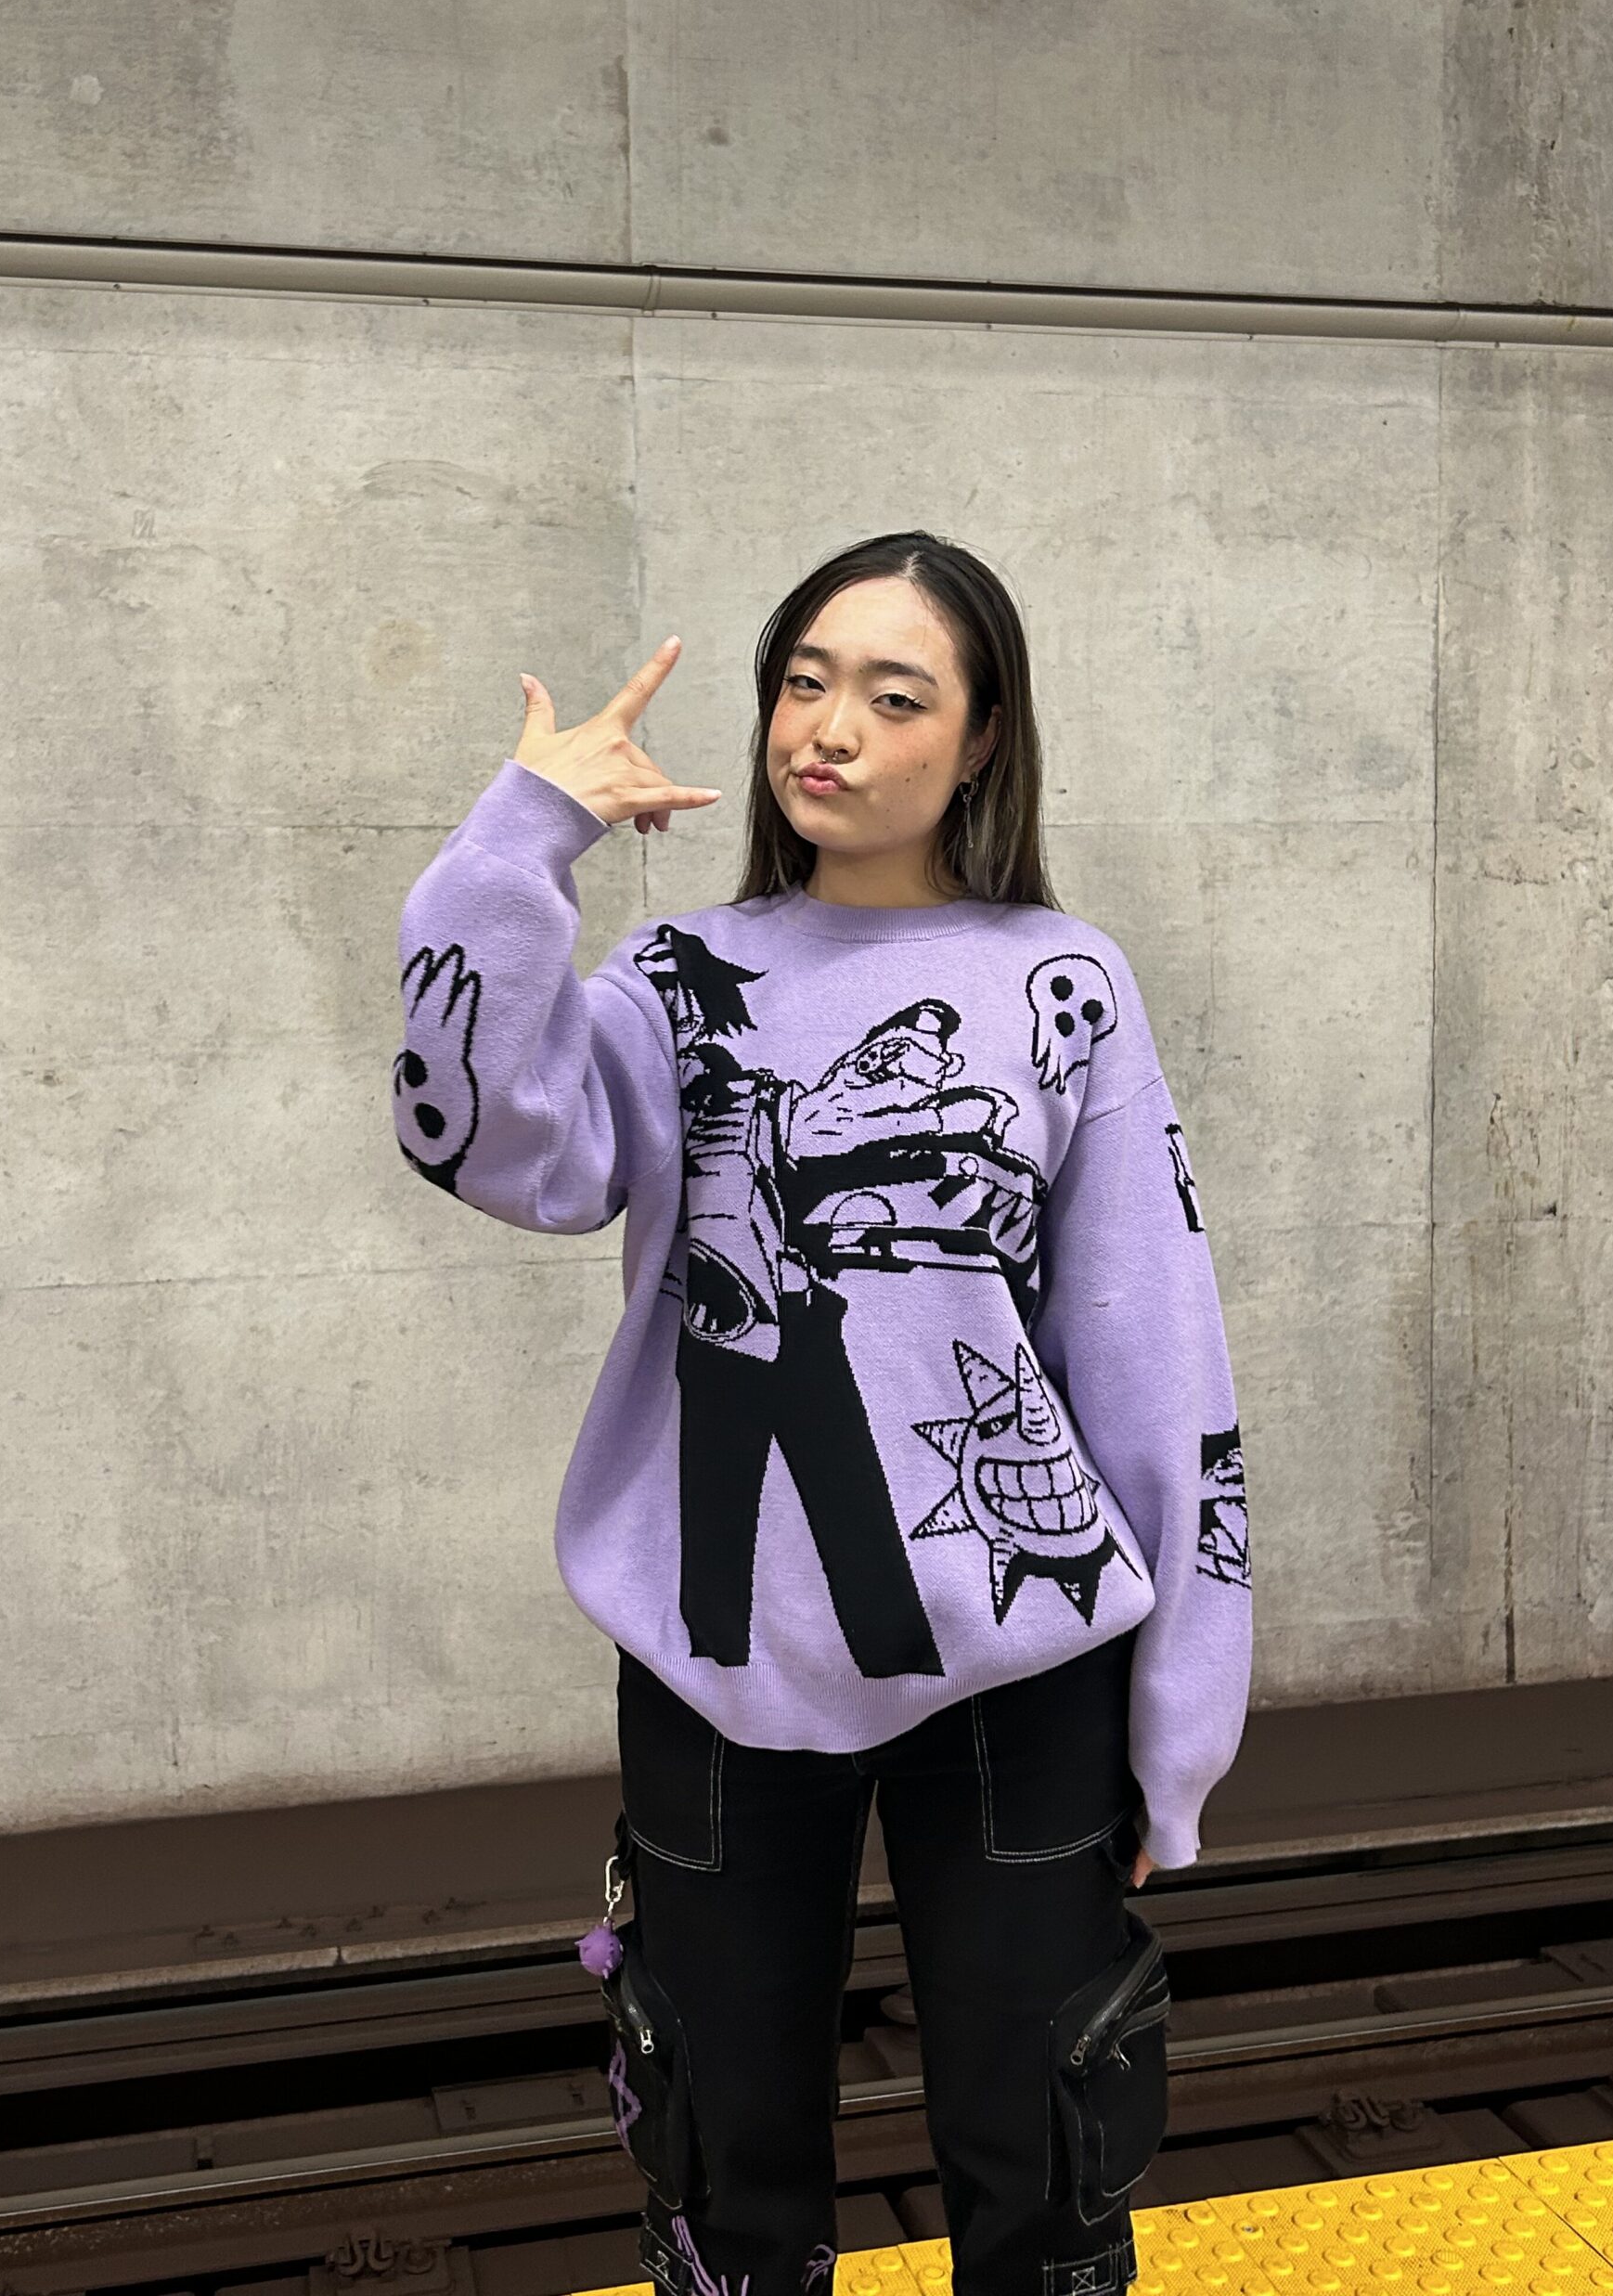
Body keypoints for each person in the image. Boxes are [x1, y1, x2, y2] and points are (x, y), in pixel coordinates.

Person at [392, 533, 1252, 2296]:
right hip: (719, 1660)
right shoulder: (673, 982)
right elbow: (478, 1139)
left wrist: (1184, 1712)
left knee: (1048, 2156)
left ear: (985, 737)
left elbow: (1151, 1347)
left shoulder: (1064, 982)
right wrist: (521, 837)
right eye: (804, 681)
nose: (830, 728)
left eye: (894, 694)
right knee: (722, 2170)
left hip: (1018, 1671)